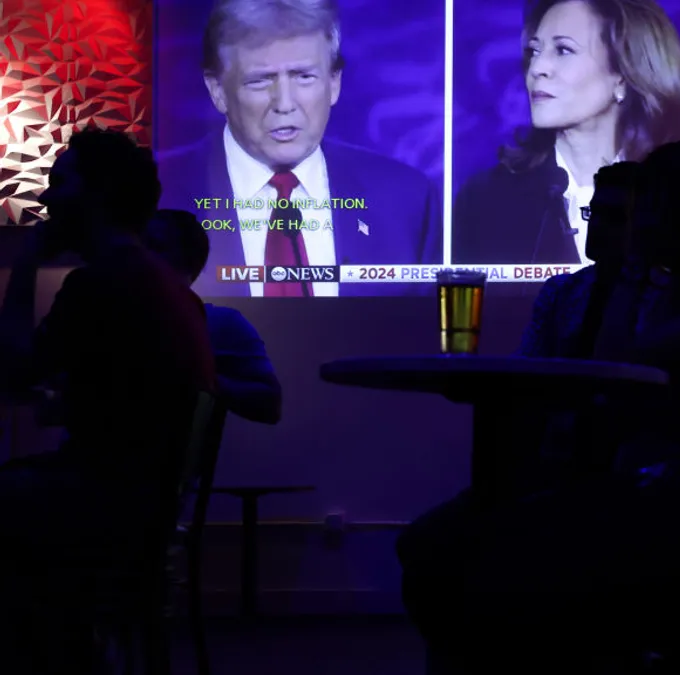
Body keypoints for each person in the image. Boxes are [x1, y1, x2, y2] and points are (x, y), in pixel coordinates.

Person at [399, 142, 680, 675]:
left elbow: (627, 370)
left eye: (638, 212)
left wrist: (631, 272)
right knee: (431, 547)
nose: (625, 226)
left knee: (461, 555)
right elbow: (551, 372)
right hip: (614, 482)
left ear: (676, 216)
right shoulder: (592, 292)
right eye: (602, 213)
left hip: (672, 501)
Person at [0, 129, 216, 671]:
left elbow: (13, 370)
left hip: (103, 508)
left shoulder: (103, 284)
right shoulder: (163, 285)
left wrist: (25, 266)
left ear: (95, 197)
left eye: (59, 184)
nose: (46, 199)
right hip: (141, 507)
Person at [157, 0, 440, 298]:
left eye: (303, 76)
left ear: (334, 83)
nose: (284, 104)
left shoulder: (406, 200)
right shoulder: (158, 196)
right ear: (217, 90)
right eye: (259, 81)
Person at [451, 0, 680, 265]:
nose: (537, 69)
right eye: (534, 51)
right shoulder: (484, 202)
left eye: (563, 50)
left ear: (623, 75)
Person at [145, 209, 283, 424]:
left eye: (155, 246)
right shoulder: (102, 310)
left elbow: (268, 402)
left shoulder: (218, 324)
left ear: (188, 260)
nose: (142, 255)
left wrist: (202, 378)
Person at [517, 160, 639, 358]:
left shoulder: (656, 299)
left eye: (613, 216)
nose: (597, 224)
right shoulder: (560, 292)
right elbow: (525, 368)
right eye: (594, 212)